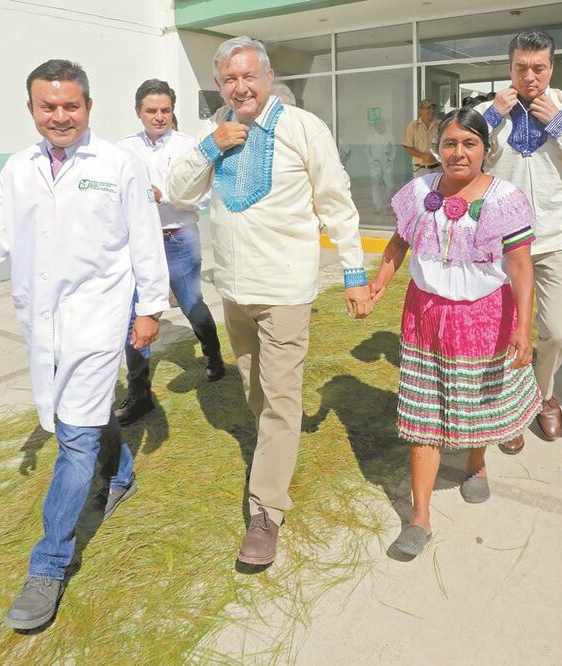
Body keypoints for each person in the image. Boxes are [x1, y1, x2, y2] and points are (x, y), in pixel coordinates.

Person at [0, 60, 170, 629]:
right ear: (32, 110)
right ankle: (120, 475)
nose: (60, 116)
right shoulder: (18, 169)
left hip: (97, 319)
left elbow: (146, 241)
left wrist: (150, 309)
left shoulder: (117, 165)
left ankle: (47, 565)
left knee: (72, 438)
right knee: (83, 415)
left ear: (89, 107)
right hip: (41, 321)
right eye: (48, 106)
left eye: (71, 106)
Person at [167, 36, 372, 567]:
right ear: (220, 85)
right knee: (255, 390)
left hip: (284, 290)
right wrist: (212, 145)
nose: (241, 87)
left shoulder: (303, 128)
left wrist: (353, 272)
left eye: (248, 76)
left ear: (267, 75)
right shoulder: (215, 132)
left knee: (281, 400)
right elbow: (178, 191)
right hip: (235, 290)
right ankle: (273, 455)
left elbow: (336, 201)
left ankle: (266, 512)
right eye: (230, 80)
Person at [370, 108, 541, 556]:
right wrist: (378, 285)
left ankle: (477, 463)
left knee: (477, 401)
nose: (458, 152)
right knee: (423, 412)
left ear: (487, 149)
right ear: (436, 149)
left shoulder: (505, 199)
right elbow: (399, 242)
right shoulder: (418, 192)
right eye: (449, 143)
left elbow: (520, 266)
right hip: (425, 314)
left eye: (469, 143)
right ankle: (419, 516)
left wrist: (523, 326)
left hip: (485, 315)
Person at [476, 30, 562, 450]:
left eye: (538, 67)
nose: (529, 76)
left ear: (551, 68)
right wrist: (493, 119)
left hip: (555, 237)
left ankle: (542, 394)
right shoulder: (487, 110)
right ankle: (509, 407)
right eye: (520, 67)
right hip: (499, 242)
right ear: (510, 66)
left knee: (555, 331)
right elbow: (457, 156)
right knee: (503, 330)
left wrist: (558, 122)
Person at [115, 79, 225, 425]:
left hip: (179, 238)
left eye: (165, 110)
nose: (159, 117)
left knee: (192, 303)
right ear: (138, 112)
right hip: (138, 244)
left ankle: (213, 356)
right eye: (152, 110)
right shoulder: (122, 150)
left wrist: (169, 197)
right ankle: (139, 393)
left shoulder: (190, 146)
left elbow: (206, 196)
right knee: (136, 316)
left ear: (172, 111)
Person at [366, 117, 397, 214]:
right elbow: (367, 151)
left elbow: (394, 148)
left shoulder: (389, 136)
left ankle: (388, 203)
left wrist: (391, 159)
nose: (381, 126)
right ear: (375, 126)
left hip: (386, 163)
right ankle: (377, 206)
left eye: (382, 124)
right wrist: (372, 161)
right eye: (378, 124)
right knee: (375, 185)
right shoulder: (370, 137)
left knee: (389, 185)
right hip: (375, 164)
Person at [403, 99, 440, 175]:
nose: (431, 111)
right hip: (420, 169)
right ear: (420, 110)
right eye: (428, 108)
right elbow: (407, 146)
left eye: (433, 108)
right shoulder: (413, 126)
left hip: (438, 168)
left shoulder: (441, 124)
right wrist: (423, 156)